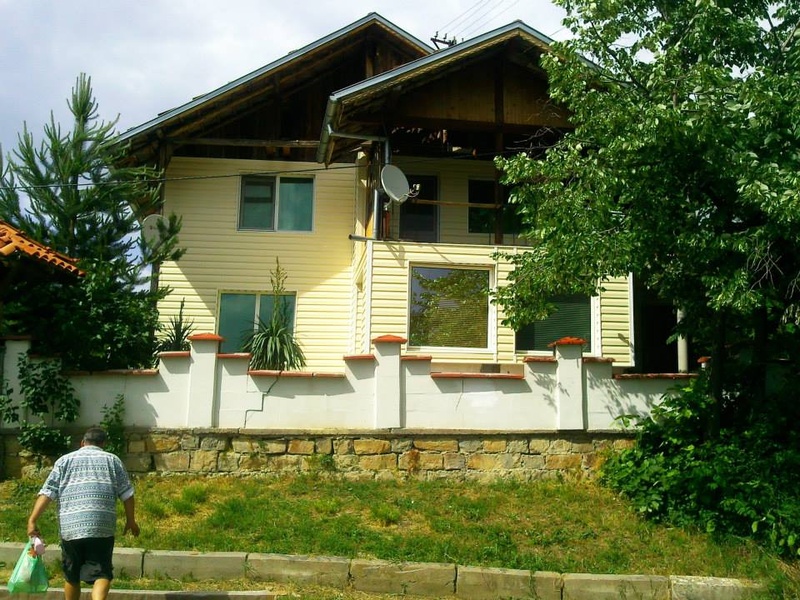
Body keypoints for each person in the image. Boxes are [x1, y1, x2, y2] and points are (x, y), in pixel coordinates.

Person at [27, 426, 139, 600]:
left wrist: (32, 520)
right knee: (102, 572)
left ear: (82, 443)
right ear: (103, 443)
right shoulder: (113, 460)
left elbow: (47, 493)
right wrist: (131, 520)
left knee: (72, 575)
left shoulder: (64, 461)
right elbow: (127, 494)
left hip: (71, 527)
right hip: (102, 527)